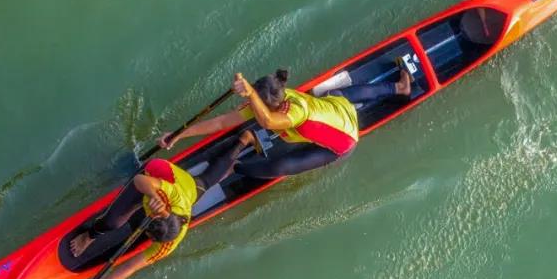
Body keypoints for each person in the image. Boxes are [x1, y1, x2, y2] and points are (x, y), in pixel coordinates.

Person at [158, 67, 413, 180]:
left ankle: (234, 168)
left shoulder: (294, 112)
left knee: (282, 166)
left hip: (342, 141)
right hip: (337, 107)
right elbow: (221, 122)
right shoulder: (278, 93)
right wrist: (179, 135)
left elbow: (268, 121)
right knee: (340, 96)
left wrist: (249, 95)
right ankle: (398, 87)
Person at [67, 156, 233, 279]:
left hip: (189, 189)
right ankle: (88, 237)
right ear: (160, 215)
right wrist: (153, 195)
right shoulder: (171, 197)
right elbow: (140, 181)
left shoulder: (168, 245)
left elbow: (129, 268)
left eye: (151, 238)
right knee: (112, 222)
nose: (149, 238)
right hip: (156, 174)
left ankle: (237, 152)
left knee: (204, 183)